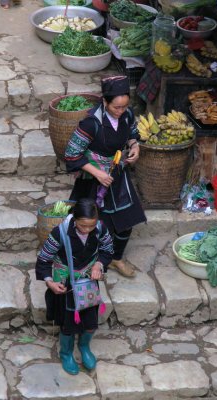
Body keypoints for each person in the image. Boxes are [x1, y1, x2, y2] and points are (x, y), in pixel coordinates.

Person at [65, 75, 146, 278]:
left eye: (124, 106)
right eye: (116, 107)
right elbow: (71, 154)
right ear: (104, 102)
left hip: (118, 173)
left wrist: (135, 146)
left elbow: (132, 134)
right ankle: (95, 259)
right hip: (94, 179)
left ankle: (116, 258)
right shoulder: (91, 123)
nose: (120, 111)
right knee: (95, 221)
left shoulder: (126, 115)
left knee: (128, 218)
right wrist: (97, 173)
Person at [35, 198, 113, 375]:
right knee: (68, 323)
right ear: (74, 219)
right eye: (83, 226)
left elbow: (108, 250)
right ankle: (66, 353)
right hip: (66, 284)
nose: (87, 230)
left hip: (88, 283)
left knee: (90, 320)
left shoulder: (100, 229)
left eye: (91, 226)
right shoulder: (60, 233)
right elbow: (44, 259)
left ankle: (84, 346)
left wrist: (98, 265)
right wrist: (50, 281)